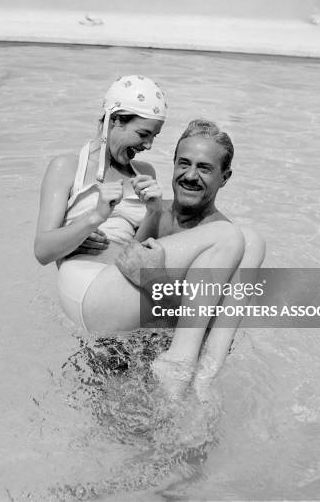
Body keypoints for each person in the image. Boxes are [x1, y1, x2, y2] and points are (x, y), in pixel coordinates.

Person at [34, 76, 252, 398]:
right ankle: (183, 363)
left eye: (154, 137)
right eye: (143, 134)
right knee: (228, 236)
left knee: (251, 241)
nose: (148, 146)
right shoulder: (67, 167)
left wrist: (151, 213)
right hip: (87, 289)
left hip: (118, 283)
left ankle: (206, 372)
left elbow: (136, 250)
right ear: (115, 120)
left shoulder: (144, 173)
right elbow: (42, 250)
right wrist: (94, 217)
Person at [114, 119, 266, 398]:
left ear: (225, 177)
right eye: (184, 163)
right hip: (115, 351)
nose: (190, 175)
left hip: (169, 376)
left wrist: (156, 281)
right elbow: (118, 270)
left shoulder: (227, 246)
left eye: (204, 168)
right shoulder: (150, 212)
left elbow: (212, 336)